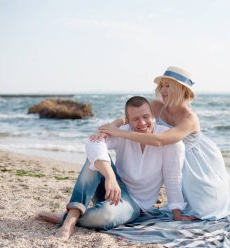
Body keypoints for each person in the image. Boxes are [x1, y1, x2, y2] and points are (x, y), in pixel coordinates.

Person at [36, 96, 195, 240]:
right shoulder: (123, 132)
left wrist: (177, 211)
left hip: (134, 203)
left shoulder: (170, 141)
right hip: (111, 188)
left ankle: (68, 215)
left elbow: (173, 177)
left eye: (146, 117)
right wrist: (110, 177)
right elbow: (92, 143)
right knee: (94, 159)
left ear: (153, 115)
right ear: (128, 120)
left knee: (104, 217)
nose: (142, 123)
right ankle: (69, 222)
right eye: (135, 119)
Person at [97, 66, 230, 220]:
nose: (163, 90)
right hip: (173, 157)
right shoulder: (156, 106)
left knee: (204, 210)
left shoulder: (190, 118)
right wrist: (113, 126)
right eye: (161, 86)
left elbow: (160, 140)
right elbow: (129, 117)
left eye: (168, 86)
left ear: (181, 89)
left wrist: (120, 132)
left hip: (196, 162)